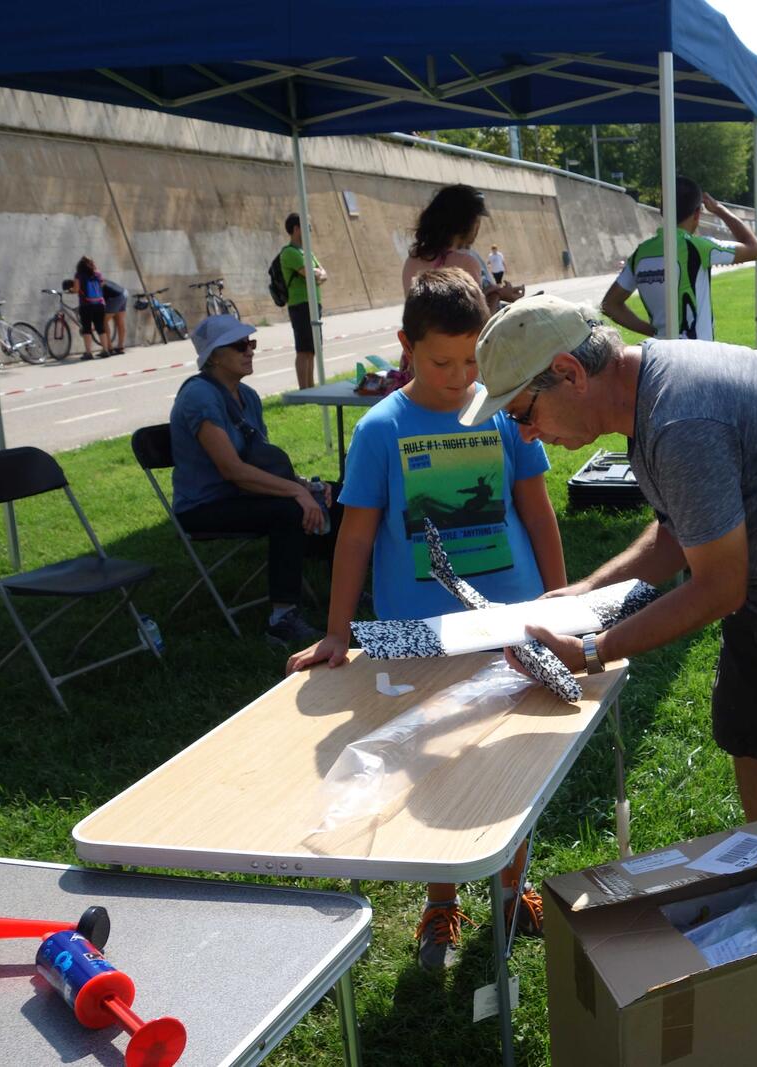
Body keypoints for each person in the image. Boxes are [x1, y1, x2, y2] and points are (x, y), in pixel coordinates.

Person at [460, 295, 757, 824]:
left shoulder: (678, 420)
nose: (525, 432)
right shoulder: (645, 394)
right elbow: (684, 531)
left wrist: (592, 652)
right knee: (747, 734)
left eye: (522, 413)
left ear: (570, 373)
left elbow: (719, 588)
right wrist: (586, 593)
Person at [286, 269, 565, 974]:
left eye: (472, 359)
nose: (461, 376)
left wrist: (560, 602)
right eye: (443, 362)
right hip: (419, 640)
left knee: (510, 759)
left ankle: (513, 885)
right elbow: (354, 536)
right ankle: (443, 899)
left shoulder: (502, 410)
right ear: (405, 347)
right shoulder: (380, 429)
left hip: (509, 627)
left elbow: (536, 510)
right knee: (429, 766)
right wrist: (337, 631)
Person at [170, 315, 330, 646]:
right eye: (239, 345)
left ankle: (342, 589)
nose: (250, 350)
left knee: (336, 495)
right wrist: (296, 493)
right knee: (289, 511)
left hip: (242, 495)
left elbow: (259, 461)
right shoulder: (199, 397)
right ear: (214, 356)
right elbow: (232, 470)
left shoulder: (248, 396)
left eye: (251, 343)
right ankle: (282, 618)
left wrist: (305, 485)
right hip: (205, 504)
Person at [601, 176, 757, 340]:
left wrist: (654, 332)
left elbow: (609, 305)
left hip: (661, 352)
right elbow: (756, 249)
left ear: (662, 210)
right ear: (697, 214)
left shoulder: (641, 253)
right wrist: (719, 210)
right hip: (697, 352)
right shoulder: (699, 247)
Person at [400, 184, 523, 309]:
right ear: (465, 223)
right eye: (477, 221)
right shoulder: (466, 262)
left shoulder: (412, 260)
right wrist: (497, 295)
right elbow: (480, 319)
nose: (477, 227)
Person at [280, 213, 327, 389]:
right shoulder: (289, 252)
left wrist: (317, 274)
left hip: (314, 303)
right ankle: (303, 389)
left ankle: (311, 387)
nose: (310, 230)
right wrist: (316, 274)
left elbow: (323, 273)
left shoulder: (306, 252)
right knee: (303, 349)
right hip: (300, 305)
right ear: (296, 229)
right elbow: (310, 273)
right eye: (306, 226)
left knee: (313, 349)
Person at [72, 257, 109, 361]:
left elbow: (76, 289)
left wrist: (71, 290)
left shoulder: (79, 275)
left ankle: (88, 353)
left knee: (87, 329)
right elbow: (102, 285)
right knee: (100, 327)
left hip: (86, 305)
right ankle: (105, 350)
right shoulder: (97, 274)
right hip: (99, 304)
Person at [102, 277, 129, 354]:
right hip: (124, 293)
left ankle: (109, 348)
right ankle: (120, 346)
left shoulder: (95, 284)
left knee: (103, 322)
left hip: (115, 297)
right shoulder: (102, 280)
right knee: (120, 322)